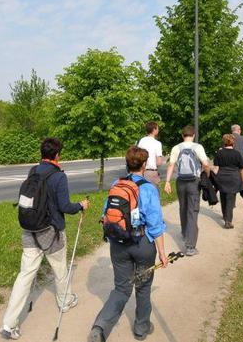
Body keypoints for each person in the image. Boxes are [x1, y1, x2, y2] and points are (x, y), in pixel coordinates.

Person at [0, 138, 90, 340]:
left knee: (25, 275)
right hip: (52, 231)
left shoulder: (33, 171)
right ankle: (65, 301)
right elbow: (65, 206)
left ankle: (8, 324)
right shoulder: (59, 176)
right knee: (59, 269)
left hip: (30, 229)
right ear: (57, 155)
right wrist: (81, 206)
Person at [89, 146, 168, 342]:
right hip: (142, 245)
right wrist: (162, 253)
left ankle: (100, 327)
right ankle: (141, 328)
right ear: (143, 165)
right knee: (143, 287)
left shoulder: (117, 184)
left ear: (127, 164)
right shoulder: (149, 188)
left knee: (121, 288)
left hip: (118, 243)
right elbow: (156, 225)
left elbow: (106, 214)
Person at [164, 125, 211, 257]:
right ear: (194, 135)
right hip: (193, 182)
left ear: (182, 135)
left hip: (180, 181)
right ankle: (190, 247)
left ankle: (185, 233)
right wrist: (207, 175)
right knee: (192, 211)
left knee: (183, 208)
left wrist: (167, 181)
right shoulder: (198, 147)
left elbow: (171, 165)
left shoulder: (176, 148)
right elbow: (206, 164)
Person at [212, 134, 243, 229]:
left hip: (222, 178)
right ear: (233, 143)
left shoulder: (219, 153)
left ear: (224, 142)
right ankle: (228, 221)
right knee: (230, 199)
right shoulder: (237, 154)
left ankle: (224, 215)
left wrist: (213, 179)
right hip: (234, 178)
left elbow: (215, 168)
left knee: (223, 196)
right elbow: (241, 169)